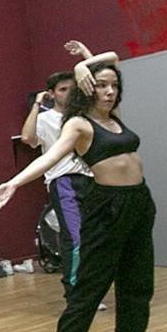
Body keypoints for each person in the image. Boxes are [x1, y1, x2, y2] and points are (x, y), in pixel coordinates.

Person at [0, 49, 167, 332]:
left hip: (139, 204)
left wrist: (88, 62)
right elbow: (51, 156)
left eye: (114, 86)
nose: (110, 91)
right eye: (102, 85)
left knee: (138, 284)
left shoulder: (116, 119)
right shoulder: (79, 124)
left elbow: (113, 58)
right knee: (86, 293)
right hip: (105, 209)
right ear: (87, 87)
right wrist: (15, 182)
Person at [19, 42, 106, 311]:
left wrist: (84, 53)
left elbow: (101, 78)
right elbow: (27, 138)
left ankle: (93, 290)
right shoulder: (45, 119)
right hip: (63, 181)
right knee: (75, 237)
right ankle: (75, 293)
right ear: (52, 93)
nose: (68, 93)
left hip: (91, 179)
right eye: (62, 89)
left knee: (94, 237)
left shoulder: (84, 115)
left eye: (71, 88)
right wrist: (36, 105)